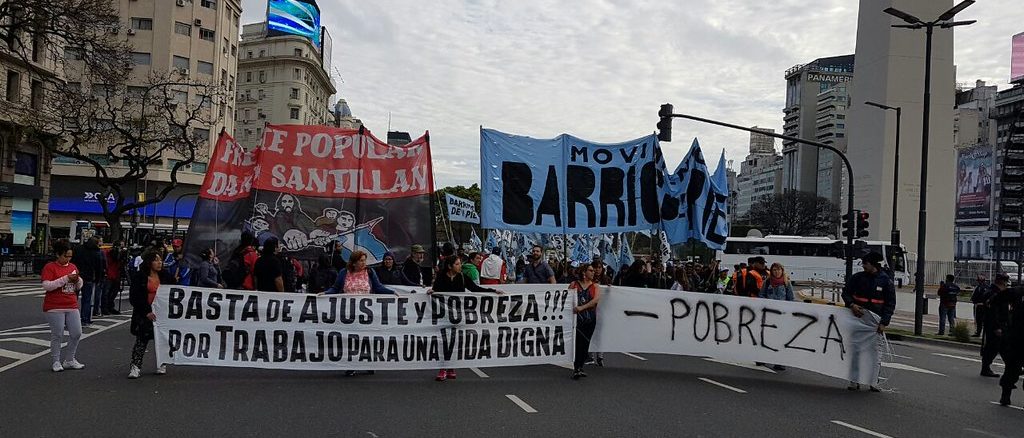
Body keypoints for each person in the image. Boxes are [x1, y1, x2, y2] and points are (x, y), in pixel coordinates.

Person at [428, 255, 498, 381]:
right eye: (457, 264)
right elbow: (436, 291)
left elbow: (475, 289)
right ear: (450, 266)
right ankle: (443, 368)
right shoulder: (441, 277)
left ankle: (451, 367)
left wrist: (493, 291)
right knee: (444, 341)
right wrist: (431, 292)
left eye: (460, 263)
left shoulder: (462, 277)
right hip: (444, 314)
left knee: (454, 341)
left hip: (457, 315)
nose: (460, 266)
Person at [841, 252, 896, 392]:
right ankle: (854, 380)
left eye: (865, 263)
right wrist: (852, 305)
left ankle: (873, 381)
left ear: (872, 264)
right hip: (857, 319)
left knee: (875, 352)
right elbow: (846, 293)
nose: (863, 266)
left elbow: (890, 303)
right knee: (855, 350)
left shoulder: (886, 281)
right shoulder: (857, 278)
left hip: (875, 322)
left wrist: (884, 322)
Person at [41, 239, 85, 372]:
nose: (68, 259)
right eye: (65, 256)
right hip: (54, 305)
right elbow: (47, 285)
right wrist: (65, 279)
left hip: (71, 303)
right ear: (58, 255)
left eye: (70, 256)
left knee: (77, 333)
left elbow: (78, 286)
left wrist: (78, 280)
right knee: (57, 334)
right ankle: (56, 360)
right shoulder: (50, 267)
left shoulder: (73, 267)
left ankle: (70, 359)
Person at [128, 251, 166, 379]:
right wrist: (146, 311)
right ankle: (135, 366)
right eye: (156, 260)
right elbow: (135, 296)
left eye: (161, 260)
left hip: (161, 313)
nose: (159, 263)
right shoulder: (140, 276)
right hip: (145, 313)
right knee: (141, 340)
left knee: (162, 340)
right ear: (149, 262)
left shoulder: (165, 276)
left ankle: (161, 363)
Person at [759, 262, 795, 371]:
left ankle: (779, 361)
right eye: (774, 270)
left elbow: (791, 299)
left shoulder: (787, 283)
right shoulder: (767, 282)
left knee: (780, 339)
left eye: (779, 270)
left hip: (782, 316)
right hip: (769, 314)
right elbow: (761, 295)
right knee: (766, 337)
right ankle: (762, 358)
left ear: (782, 271)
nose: (776, 272)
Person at [569, 264, 600, 380]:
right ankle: (577, 367)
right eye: (590, 270)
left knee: (586, 343)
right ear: (584, 272)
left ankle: (580, 366)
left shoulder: (595, 286)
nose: (593, 272)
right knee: (578, 343)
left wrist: (582, 307)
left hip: (590, 318)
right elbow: (567, 298)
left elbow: (595, 300)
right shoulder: (574, 285)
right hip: (577, 319)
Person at [998, 278, 1024, 406]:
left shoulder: (1017, 291)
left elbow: (997, 299)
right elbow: (997, 300)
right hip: (1017, 338)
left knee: (1012, 368)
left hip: (1016, 338)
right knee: (1012, 368)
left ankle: (1005, 394)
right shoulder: (1017, 292)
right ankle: (1005, 395)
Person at [324, 251, 396, 295]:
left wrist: (392, 292)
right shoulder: (344, 272)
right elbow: (335, 288)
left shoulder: (370, 271)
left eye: (364, 260)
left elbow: (378, 287)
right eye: (361, 261)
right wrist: (325, 293)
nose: (364, 263)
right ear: (354, 263)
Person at [982, 273, 1012, 378]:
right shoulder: (993, 294)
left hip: (1000, 325)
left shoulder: (997, 293)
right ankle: (985, 368)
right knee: (992, 347)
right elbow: (993, 312)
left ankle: (1011, 367)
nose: (1006, 285)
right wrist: (996, 327)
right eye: (1005, 283)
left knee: (1005, 347)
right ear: (1002, 282)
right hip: (995, 325)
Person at [70, 236, 105, 325]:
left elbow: (72, 261)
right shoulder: (96, 252)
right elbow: (99, 267)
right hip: (88, 277)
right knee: (87, 299)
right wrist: (98, 279)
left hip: (76, 276)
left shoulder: (78, 248)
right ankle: (85, 319)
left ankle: (70, 318)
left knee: (73, 298)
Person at [101, 241, 124, 315]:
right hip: (109, 274)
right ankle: (105, 308)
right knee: (106, 293)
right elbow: (113, 258)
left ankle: (110, 307)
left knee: (113, 292)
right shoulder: (109, 252)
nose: (121, 249)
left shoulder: (120, 254)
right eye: (121, 247)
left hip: (116, 274)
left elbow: (120, 262)